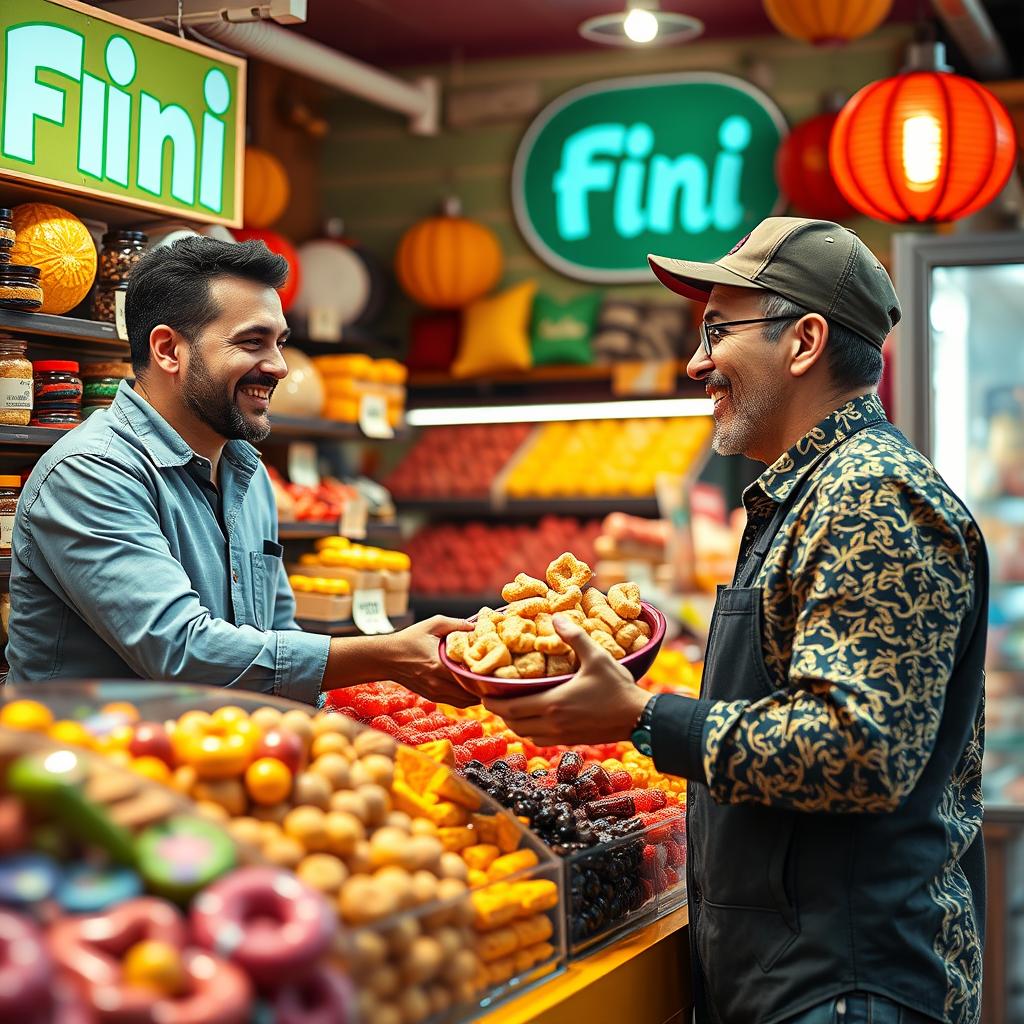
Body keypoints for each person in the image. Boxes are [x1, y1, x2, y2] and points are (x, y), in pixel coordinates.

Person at [488, 218, 987, 1024]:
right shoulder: (810, 493)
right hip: (799, 972)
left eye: (718, 330)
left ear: (805, 341)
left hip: (851, 985)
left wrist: (643, 716)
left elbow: (859, 750)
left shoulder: (870, 497)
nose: (695, 362)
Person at [6, 235, 472, 708]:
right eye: (252, 343)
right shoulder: (90, 473)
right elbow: (180, 650)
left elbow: (278, 629)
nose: (280, 367)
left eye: (280, 343)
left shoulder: (247, 477)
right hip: (83, 767)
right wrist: (385, 655)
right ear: (169, 350)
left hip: (218, 757)